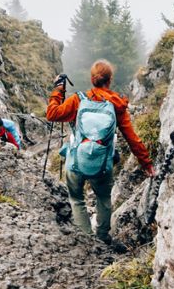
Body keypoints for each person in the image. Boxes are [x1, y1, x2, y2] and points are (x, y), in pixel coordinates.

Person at [46, 60, 153, 243]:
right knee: (103, 198)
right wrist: (147, 164)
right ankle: (102, 236)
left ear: (92, 79)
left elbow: (52, 114)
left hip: (76, 161)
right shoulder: (116, 105)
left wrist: (58, 89)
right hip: (103, 164)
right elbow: (132, 138)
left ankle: (86, 238)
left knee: (77, 199)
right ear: (109, 79)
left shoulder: (78, 99)